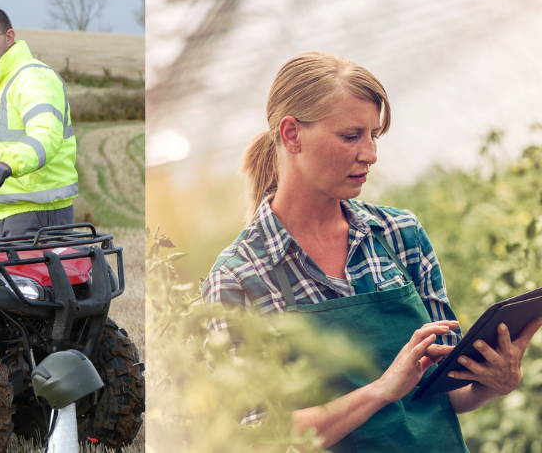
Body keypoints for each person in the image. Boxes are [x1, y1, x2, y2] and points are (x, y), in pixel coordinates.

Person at [201, 51, 542, 452]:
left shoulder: (400, 235)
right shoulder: (240, 277)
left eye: (373, 135)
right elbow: (255, 436)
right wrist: (381, 390)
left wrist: (492, 383)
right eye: (351, 136)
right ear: (292, 134)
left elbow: (446, 390)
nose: (370, 154)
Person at [0, 4, 79, 237]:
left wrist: (7, 164)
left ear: (9, 36)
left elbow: (46, 133)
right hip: (5, 215)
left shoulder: (32, 77)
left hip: (38, 216)